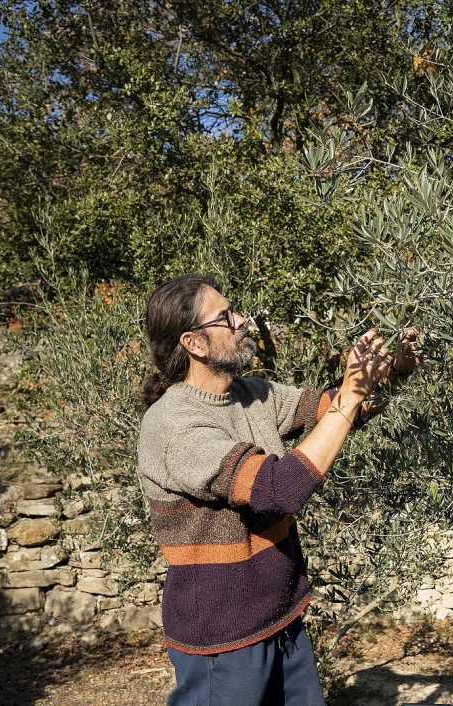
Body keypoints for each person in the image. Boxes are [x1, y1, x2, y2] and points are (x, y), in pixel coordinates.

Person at [136, 274, 417, 705]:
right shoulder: (174, 425)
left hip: (282, 621)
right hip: (223, 643)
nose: (242, 320)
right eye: (226, 317)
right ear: (194, 343)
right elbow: (277, 489)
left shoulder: (252, 394)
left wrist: (390, 375)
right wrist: (349, 397)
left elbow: (336, 409)